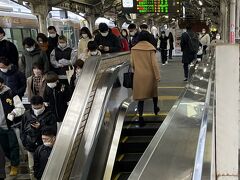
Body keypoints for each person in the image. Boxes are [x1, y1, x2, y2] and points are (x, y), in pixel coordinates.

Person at [20, 95, 57, 180]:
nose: (36, 110)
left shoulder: (50, 115)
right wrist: (25, 143)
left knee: (46, 168)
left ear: (43, 104)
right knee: (32, 168)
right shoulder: (27, 115)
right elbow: (22, 131)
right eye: (34, 108)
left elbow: (53, 130)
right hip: (30, 146)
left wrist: (41, 127)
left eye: (38, 108)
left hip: (45, 146)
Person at [130, 31, 160, 126]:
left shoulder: (134, 49)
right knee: (154, 93)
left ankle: (140, 117)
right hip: (150, 75)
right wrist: (157, 76)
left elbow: (132, 63)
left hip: (139, 75)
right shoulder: (150, 48)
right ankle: (155, 108)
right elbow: (154, 64)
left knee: (140, 98)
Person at [0, 77, 25, 176]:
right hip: (0, 128)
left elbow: (20, 108)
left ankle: (15, 165)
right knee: (4, 148)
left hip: (10, 126)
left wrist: (13, 113)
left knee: (13, 146)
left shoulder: (10, 93)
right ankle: (12, 161)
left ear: (2, 84)